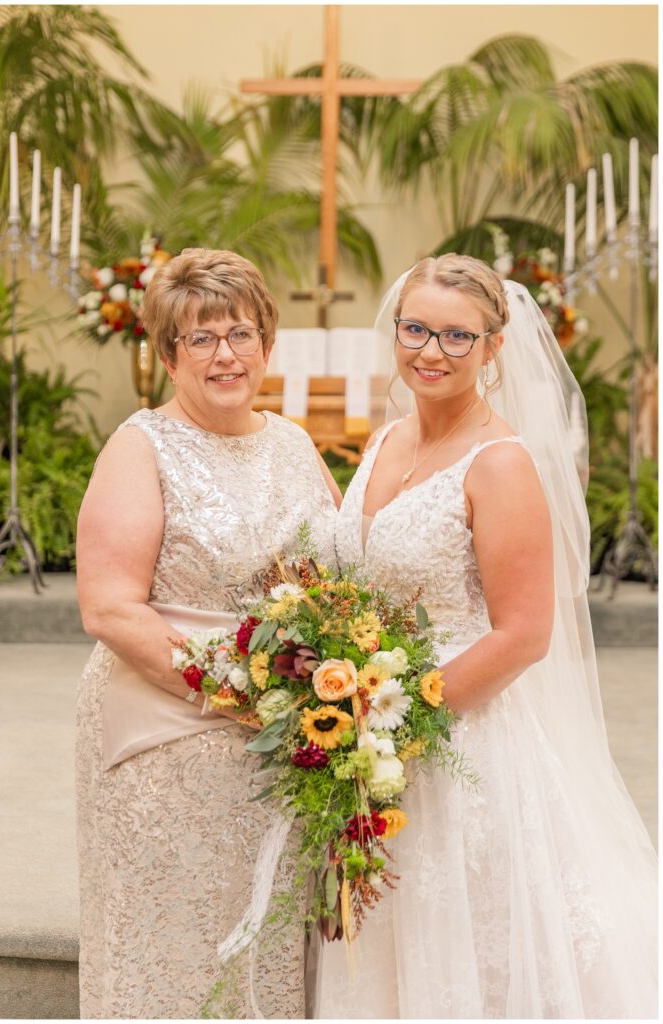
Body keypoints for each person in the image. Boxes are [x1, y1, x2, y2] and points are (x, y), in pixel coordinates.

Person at [314, 254, 657, 1019]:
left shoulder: (500, 463)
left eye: (456, 337)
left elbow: (525, 634)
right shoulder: (385, 439)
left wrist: (404, 723)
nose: (430, 352)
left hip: (458, 740)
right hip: (366, 730)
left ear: (494, 349)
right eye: (416, 329)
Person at [75, 247, 341, 1019]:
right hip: (166, 738)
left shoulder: (291, 442)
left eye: (242, 333)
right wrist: (244, 690)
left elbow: (338, 574)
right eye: (201, 338)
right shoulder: (141, 446)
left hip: (282, 739)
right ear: (168, 354)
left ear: (267, 343)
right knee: (173, 948)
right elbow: (110, 608)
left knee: (267, 948)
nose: (226, 354)